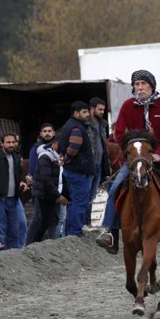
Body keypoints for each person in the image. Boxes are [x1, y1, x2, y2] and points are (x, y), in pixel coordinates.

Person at [96, 69, 160, 254]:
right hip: (135, 162)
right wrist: (130, 152)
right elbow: (119, 132)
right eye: (136, 84)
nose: (140, 87)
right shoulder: (128, 106)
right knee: (115, 187)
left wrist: (158, 154)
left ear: (151, 86)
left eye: (143, 83)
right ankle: (110, 233)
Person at [57, 101, 95, 237]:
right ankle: (75, 232)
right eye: (84, 112)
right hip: (79, 172)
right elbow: (73, 148)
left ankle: (69, 232)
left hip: (74, 170)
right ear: (76, 113)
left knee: (74, 203)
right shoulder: (76, 128)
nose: (87, 115)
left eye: (87, 111)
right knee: (80, 203)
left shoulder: (71, 125)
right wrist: (66, 159)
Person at [28, 139, 69, 244]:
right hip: (44, 194)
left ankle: (51, 244)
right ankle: (31, 244)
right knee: (42, 221)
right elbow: (46, 178)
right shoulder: (45, 156)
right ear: (55, 143)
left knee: (54, 220)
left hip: (51, 194)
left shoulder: (56, 156)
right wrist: (58, 195)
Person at [0, 132, 27, 249]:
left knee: (14, 230)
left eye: (13, 142)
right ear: (2, 144)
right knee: (0, 231)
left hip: (13, 199)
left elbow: (19, 175)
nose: (11, 145)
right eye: (8, 142)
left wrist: (21, 183)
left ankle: (14, 255)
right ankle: (0, 255)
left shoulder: (16, 157)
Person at [26, 123, 58, 242]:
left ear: (54, 133)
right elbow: (33, 170)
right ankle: (28, 243)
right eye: (44, 131)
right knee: (37, 218)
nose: (47, 133)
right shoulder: (36, 149)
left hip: (53, 189)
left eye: (49, 131)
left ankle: (52, 242)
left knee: (53, 218)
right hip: (41, 190)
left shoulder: (55, 148)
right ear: (40, 134)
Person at [85, 97, 111, 226]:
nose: (102, 112)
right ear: (92, 109)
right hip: (88, 165)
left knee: (92, 196)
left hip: (99, 164)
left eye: (103, 110)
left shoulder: (102, 124)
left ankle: (88, 223)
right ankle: (82, 223)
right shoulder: (84, 124)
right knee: (85, 196)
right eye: (99, 109)